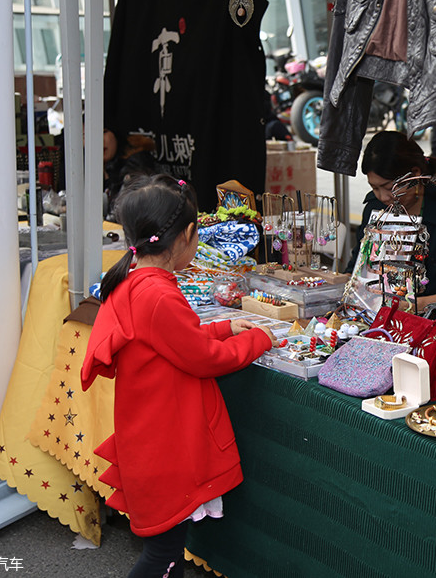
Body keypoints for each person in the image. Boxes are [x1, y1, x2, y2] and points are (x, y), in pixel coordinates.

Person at [80, 174, 275, 578]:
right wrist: (259, 339)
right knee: (164, 556)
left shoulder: (136, 282)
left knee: (165, 552)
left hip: (149, 433)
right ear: (188, 235)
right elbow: (202, 358)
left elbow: (173, 342)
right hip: (165, 442)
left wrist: (223, 328)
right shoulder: (158, 294)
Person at [349, 131, 436, 312]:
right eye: (374, 187)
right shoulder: (375, 207)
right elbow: (357, 265)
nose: (383, 196)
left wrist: (421, 305)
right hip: (373, 312)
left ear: (415, 175)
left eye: (389, 187)